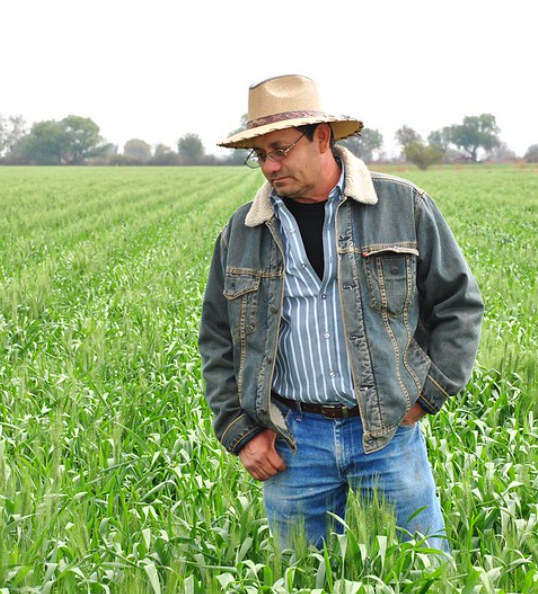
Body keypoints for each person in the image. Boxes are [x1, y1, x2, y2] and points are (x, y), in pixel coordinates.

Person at [198, 74, 483, 550]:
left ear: (322, 137)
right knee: (299, 579)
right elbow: (217, 339)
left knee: (421, 573)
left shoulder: (403, 206)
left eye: (280, 149)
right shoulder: (241, 232)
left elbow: (458, 304)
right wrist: (241, 432)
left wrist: (423, 397)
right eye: (259, 155)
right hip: (292, 442)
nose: (269, 166)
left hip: (387, 435)